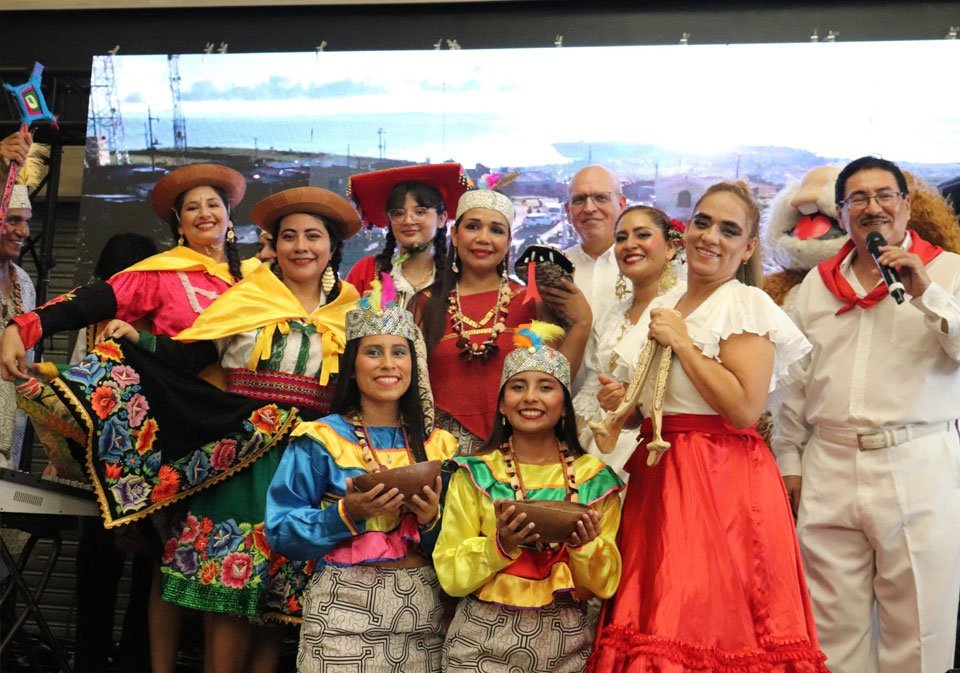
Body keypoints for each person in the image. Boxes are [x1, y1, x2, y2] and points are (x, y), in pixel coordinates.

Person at [0, 162, 256, 673]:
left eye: (214, 204)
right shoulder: (161, 273)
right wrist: (24, 326)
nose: (204, 213)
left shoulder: (257, 284)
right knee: (167, 564)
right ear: (179, 224)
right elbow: (95, 300)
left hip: (247, 438)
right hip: (181, 435)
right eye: (192, 207)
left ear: (230, 216)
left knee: (227, 572)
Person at [103, 186, 362, 673]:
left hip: (310, 463)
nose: (300, 246)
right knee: (229, 596)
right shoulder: (245, 299)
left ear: (332, 247)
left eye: (313, 236)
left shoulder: (355, 313)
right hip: (245, 460)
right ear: (275, 244)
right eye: (288, 237)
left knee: (277, 607)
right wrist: (139, 340)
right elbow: (190, 355)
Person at [590, 181, 827, 672]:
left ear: (748, 247)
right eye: (703, 222)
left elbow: (742, 408)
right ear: (687, 230)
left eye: (729, 229)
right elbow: (663, 403)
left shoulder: (746, 304)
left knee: (700, 622)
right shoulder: (671, 303)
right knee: (655, 616)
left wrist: (683, 344)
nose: (710, 236)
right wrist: (625, 406)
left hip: (720, 480)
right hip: (661, 477)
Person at [772, 156, 960, 673]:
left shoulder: (949, 271)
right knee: (829, 630)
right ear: (841, 211)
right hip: (829, 462)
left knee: (918, 629)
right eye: (858, 198)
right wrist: (789, 458)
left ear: (905, 204)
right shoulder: (814, 287)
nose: (872, 207)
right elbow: (793, 384)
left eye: (884, 195)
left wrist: (926, 292)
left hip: (917, 459)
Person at [265, 276, 458, 673]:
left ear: (413, 365)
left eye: (398, 353)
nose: (388, 364)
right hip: (343, 612)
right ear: (352, 367)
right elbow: (280, 529)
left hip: (422, 611)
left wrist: (430, 519)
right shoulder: (321, 438)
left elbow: (460, 544)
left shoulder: (440, 446)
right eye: (373, 352)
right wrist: (345, 514)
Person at [434, 322, 624, 672]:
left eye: (546, 387)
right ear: (502, 406)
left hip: (566, 643)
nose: (530, 397)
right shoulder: (475, 474)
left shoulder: (594, 479)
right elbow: (451, 574)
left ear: (565, 406)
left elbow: (606, 584)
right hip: (480, 644)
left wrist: (584, 548)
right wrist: (499, 544)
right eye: (517, 387)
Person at [416, 187, 592, 454]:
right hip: (440, 452)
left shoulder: (531, 302)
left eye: (496, 230)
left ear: (509, 241)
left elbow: (555, 383)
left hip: (515, 453)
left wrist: (581, 324)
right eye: (473, 227)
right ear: (454, 234)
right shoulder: (425, 303)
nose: (484, 238)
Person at [71, 232, 158, 673]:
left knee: (145, 587)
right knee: (97, 579)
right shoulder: (91, 325)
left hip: (152, 477)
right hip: (99, 471)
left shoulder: (163, 329)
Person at [573, 205, 684, 476]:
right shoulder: (612, 314)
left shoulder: (684, 306)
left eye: (642, 235)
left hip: (661, 448)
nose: (629, 244)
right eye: (621, 238)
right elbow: (594, 384)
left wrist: (633, 405)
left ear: (670, 247)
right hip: (602, 447)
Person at [346, 163, 471, 307]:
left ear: (442, 218)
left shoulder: (458, 275)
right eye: (398, 213)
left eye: (420, 212)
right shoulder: (367, 270)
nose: (408, 221)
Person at [563, 166, 629, 394]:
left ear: (621, 204)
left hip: (636, 417)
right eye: (579, 200)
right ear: (567, 211)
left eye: (601, 197)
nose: (590, 208)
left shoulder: (647, 266)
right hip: (570, 414)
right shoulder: (555, 269)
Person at [0, 185, 35, 470]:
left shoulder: (23, 282)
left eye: (27, 221)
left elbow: (26, 368)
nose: (23, 232)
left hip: (8, 436)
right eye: (13, 220)